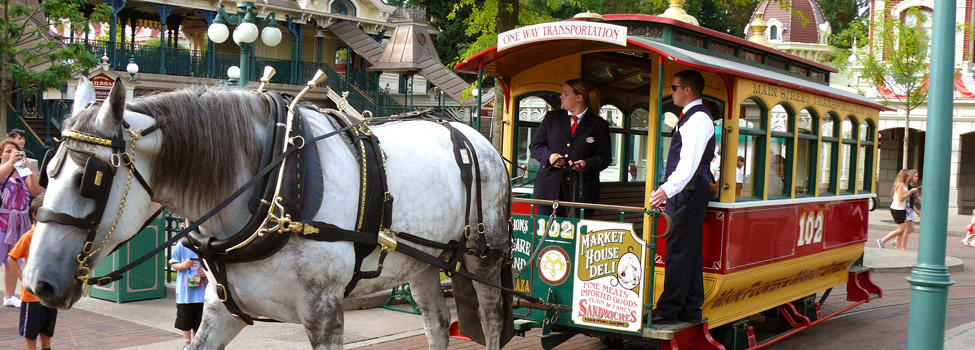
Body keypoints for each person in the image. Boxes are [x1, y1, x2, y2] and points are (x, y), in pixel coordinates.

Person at [648, 70, 715, 324]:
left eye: (674, 88)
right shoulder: (692, 117)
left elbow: (688, 163)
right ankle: (690, 307)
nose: (671, 92)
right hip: (689, 190)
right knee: (689, 251)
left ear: (688, 90)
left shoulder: (697, 118)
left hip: (688, 190)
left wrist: (668, 188)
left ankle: (667, 310)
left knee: (677, 250)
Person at [529, 79, 611, 219]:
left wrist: (586, 164)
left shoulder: (598, 125)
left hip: (581, 193)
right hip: (548, 191)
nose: (561, 96)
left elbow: (604, 157)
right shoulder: (551, 119)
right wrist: (550, 157)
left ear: (579, 98)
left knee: (575, 237)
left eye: (566, 93)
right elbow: (535, 146)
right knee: (545, 235)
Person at [9, 196, 57, 350]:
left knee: (47, 332)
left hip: (50, 294)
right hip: (32, 297)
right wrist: (23, 279)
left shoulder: (54, 236)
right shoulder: (28, 237)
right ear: (35, 215)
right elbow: (12, 258)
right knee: (31, 334)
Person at [0, 139, 41, 307]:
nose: (12, 154)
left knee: (12, 260)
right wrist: (10, 162)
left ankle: (9, 296)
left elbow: (36, 190)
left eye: (15, 151)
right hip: (2, 222)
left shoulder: (21, 169)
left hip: (19, 224)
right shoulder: (4, 169)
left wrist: (31, 171)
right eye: (8, 151)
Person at [171, 240, 207, 349]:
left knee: (199, 322)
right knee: (185, 321)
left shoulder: (204, 245)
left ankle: (196, 344)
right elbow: (174, 264)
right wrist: (183, 265)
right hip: (185, 294)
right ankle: (187, 344)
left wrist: (205, 272)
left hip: (201, 294)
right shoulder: (181, 245)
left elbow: (211, 265)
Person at [878, 169, 920, 250]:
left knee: (902, 230)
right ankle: (882, 240)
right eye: (907, 176)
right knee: (901, 230)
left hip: (901, 209)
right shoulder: (900, 185)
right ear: (904, 176)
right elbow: (901, 198)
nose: (909, 177)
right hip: (897, 209)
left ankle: (898, 247)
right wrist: (911, 192)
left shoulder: (904, 185)